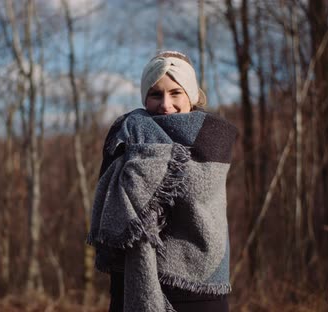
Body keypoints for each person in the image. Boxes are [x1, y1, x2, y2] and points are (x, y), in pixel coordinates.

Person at [87, 50, 237, 312]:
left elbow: (195, 194)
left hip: (197, 290)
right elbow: (110, 205)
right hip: (132, 282)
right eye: (156, 94)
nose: (166, 104)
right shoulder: (126, 133)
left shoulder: (212, 137)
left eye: (175, 93)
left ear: (190, 94)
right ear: (145, 98)